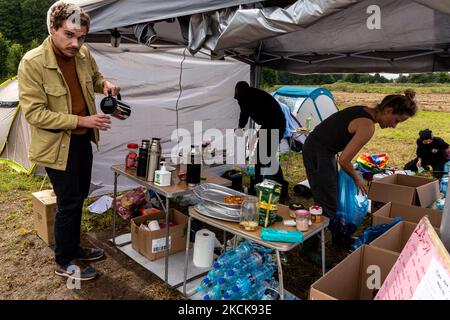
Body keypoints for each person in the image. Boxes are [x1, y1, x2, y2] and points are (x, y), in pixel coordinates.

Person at [18, 2, 120, 281]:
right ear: (52, 28)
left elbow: (95, 78)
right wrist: (82, 121)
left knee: (80, 196)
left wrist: (105, 85)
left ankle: (74, 247)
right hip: (56, 145)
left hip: (82, 140)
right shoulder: (32, 62)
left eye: (82, 37)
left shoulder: (83, 55)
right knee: (68, 201)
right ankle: (64, 260)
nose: (76, 44)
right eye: (69, 35)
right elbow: (35, 114)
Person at [301, 90, 418, 262]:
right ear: (388, 110)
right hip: (318, 152)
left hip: (323, 150)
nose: (394, 126)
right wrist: (357, 178)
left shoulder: (363, 110)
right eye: (396, 120)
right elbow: (345, 160)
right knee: (327, 203)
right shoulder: (367, 126)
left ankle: (339, 237)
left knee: (330, 196)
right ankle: (308, 249)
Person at [234, 81, 287, 199]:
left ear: (238, 90)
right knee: (265, 159)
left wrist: (240, 128)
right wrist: (261, 130)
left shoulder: (244, 95)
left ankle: (270, 189)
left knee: (263, 159)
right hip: (273, 124)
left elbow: (244, 114)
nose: (237, 99)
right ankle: (267, 187)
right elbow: (267, 113)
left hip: (274, 126)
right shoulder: (255, 94)